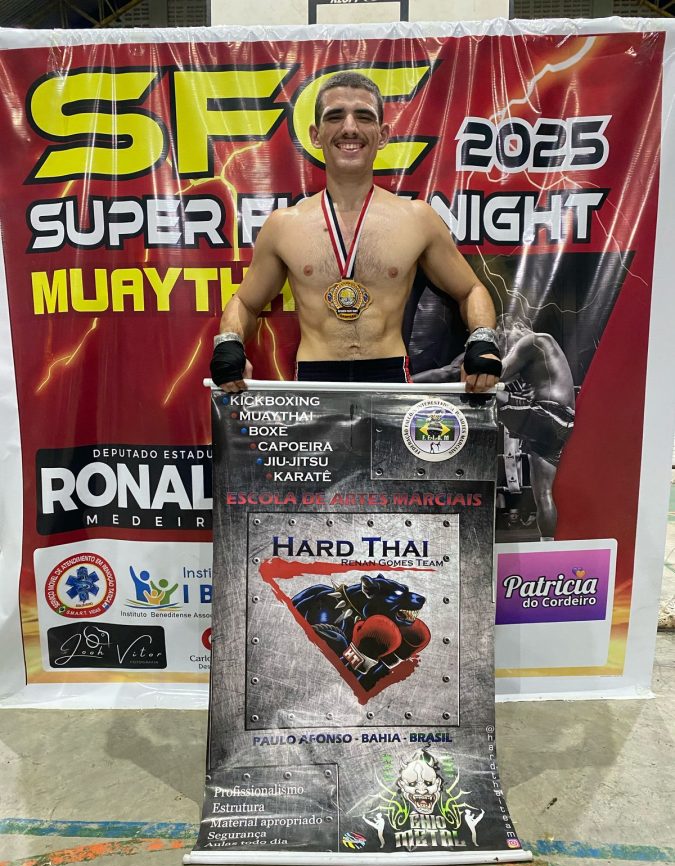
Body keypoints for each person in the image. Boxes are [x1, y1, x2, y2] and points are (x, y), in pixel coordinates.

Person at [209, 71, 501, 390]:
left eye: (363, 116)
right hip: (315, 380)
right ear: (316, 135)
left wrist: (483, 342)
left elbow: (470, 290)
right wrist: (229, 343)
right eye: (335, 116)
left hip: (389, 377)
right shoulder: (284, 225)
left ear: (383, 135)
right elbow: (245, 302)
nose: (349, 127)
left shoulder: (417, 218)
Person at [495, 316, 575, 540]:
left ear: (518, 327)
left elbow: (496, 373)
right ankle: (547, 545)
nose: (504, 344)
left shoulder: (534, 340)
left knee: (484, 392)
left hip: (549, 415)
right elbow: (506, 382)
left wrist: (477, 360)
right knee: (543, 494)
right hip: (558, 426)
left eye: (503, 336)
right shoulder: (536, 358)